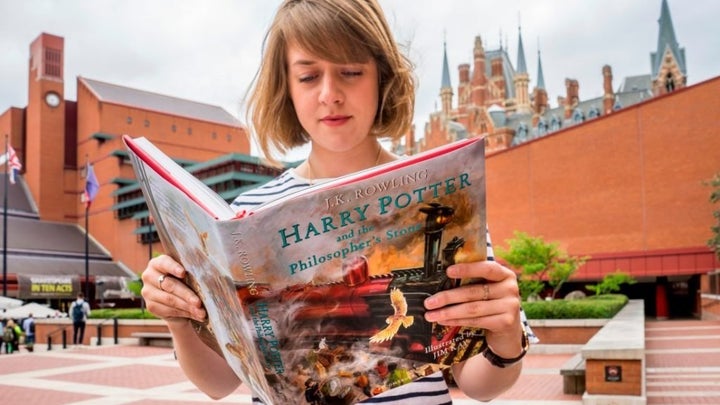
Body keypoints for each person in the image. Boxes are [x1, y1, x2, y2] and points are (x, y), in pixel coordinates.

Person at [141, 0, 530, 403]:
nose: (330, 95)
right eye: (308, 76)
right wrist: (179, 319)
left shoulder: (446, 195)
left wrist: (505, 338)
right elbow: (219, 383)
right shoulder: (247, 215)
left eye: (350, 71)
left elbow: (479, 384)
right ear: (287, 88)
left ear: (382, 78)